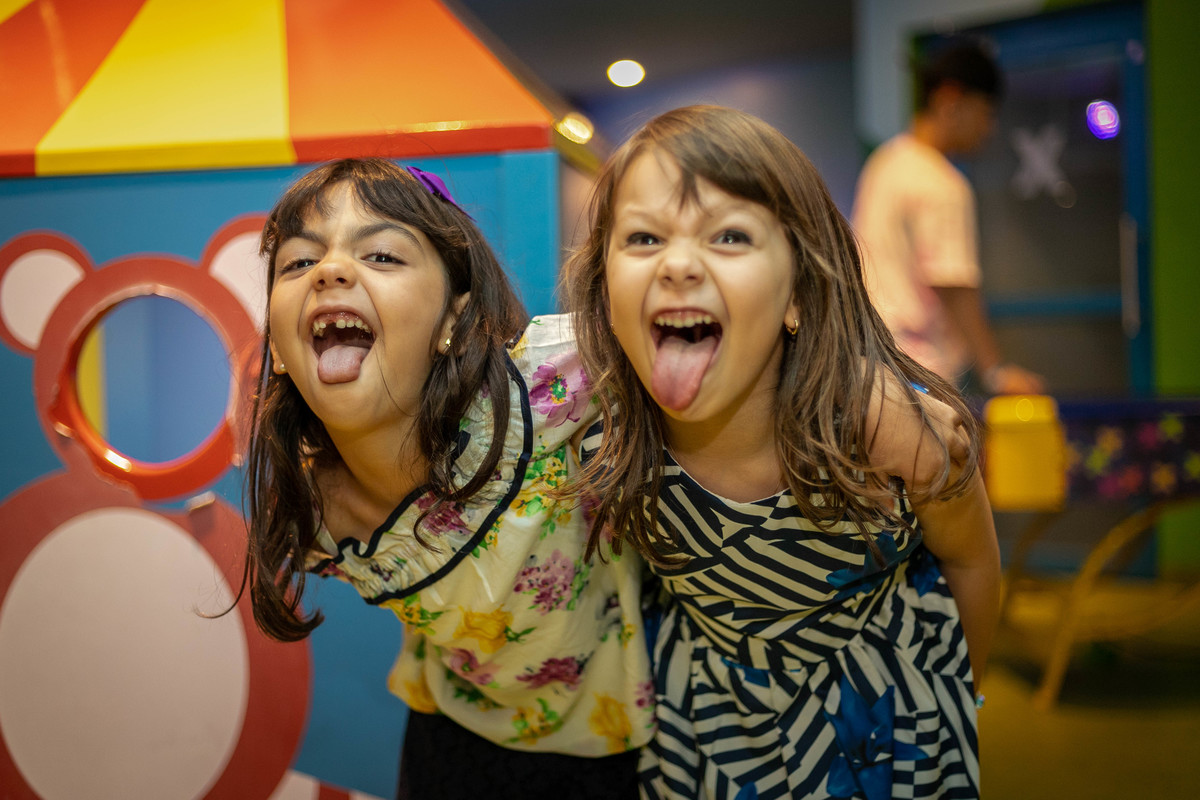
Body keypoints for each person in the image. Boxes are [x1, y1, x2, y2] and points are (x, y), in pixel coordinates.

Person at [564, 106, 1000, 799]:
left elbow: (972, 561)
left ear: (797, 291)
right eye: (644, 237)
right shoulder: (598, 426)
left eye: (729, 236)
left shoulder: (880, 428)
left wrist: (953, 697)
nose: (678, 264)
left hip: (884, 726)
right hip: (704, 731)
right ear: (605, 288)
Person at [239, 158, 654, 799]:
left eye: (381, 255)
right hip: (449, 736)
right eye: (298, 262)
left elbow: (667, 325)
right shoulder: (313, 508)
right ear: (279, 347)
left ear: (455, 321)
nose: (330, 271)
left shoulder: (536, 390)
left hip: (608, 744)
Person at [852, 39, 1044, 395]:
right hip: (922, 375)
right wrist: (996, 371)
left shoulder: (883, 162)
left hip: (869, 364)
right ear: (950, 100)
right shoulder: (943, 183)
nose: (989, 128)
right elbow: (954, 287)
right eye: (985, 112)